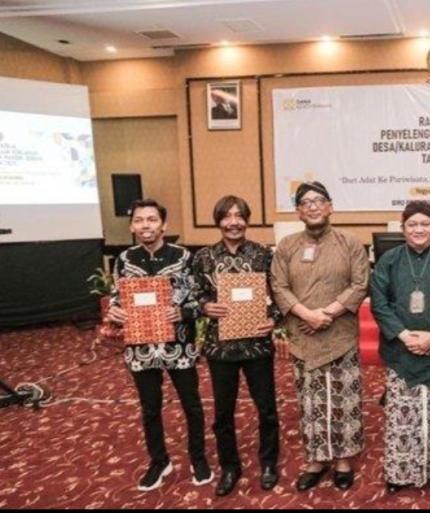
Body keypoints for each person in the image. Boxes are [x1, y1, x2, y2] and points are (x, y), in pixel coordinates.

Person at [271, 182, 370, 491]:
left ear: (330, 206)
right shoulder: (287, 246)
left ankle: (343, 459)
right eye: (305, 202)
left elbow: (360, 284)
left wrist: (326, 313)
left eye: (318, 200)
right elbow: (278, 286)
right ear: (298, 211)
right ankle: (316, 459)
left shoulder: (350, 243)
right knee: (310, 401)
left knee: (344, 399)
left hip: (340, 336)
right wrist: (306, 315)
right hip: (304, 337)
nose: (312, 206)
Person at [107, 199, 211, 491]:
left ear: (163, 225)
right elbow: (116, 296)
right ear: (132, 226)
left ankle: (198, 458)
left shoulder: (184, 256)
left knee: (191, 404)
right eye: (139, 220)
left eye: (152, 219)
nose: (146, 226)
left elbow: (200, 299)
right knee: (150, 407)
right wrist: (114, 311)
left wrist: (184, 313)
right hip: (140, 346)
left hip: (178, 344)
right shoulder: (124, 259)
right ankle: (159, 461)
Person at [369, 200, 430, 495]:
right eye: (412, 224)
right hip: (401, 350)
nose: (419, 229)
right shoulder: (389, 260)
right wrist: (404, 336)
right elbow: (379, 303)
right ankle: (399, 472)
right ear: (403, 228)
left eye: (425, 224)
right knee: (402, 415)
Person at [192, 195, 282, 496]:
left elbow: (280, 293)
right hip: (220, 348)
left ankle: (268, 463)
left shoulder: (263, 255)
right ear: (218, 221)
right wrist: (205, 306)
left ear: (247, 220)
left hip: (257, 344)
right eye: (227, 216)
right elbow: (194, 294)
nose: (234, 222)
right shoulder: (203, 257)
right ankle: (229, 467)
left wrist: (273, 318)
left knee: (267, 409)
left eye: (239, 216)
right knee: (223, 414)